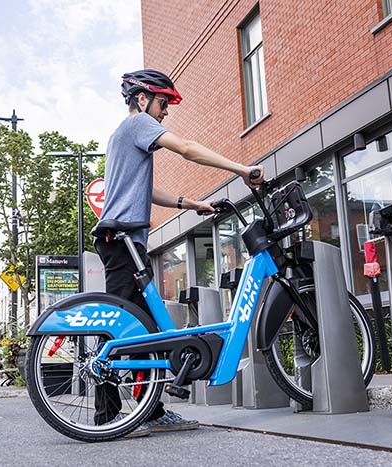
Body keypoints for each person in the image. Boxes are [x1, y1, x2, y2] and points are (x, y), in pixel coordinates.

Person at [93, 69, 264, 436]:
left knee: (148, 330)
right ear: (142, 99)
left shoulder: (124, 137)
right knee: (118, 327)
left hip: (124, 239)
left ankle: (150, 411)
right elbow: (186, 148)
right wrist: (241, 168)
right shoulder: (138, 123)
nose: (165, 112)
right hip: (121, 239)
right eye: (163, 102)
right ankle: (106, 417)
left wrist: (192, 203)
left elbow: (146, 192)